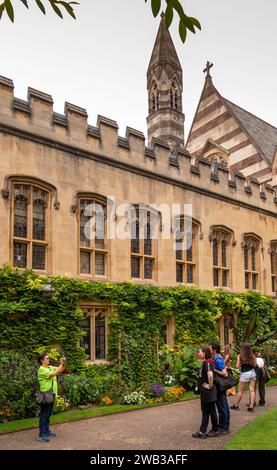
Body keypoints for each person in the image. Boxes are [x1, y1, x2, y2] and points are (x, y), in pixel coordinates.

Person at [37, 353, 66, 442]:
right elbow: (54, 374)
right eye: (46, 358)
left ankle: (46, 431)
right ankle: (41, 435)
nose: (48, 359)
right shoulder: (42, 369)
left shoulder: (49, 367)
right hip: (45, 394)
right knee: (44, 414)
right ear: (42, 360)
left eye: (48, 358)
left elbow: (60, 369)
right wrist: (61, 364)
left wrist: (63, 363)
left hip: (52, 393)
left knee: (48, 414)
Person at [192, 346, 219, 439]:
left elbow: (210, 374)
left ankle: (206, 431)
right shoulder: (207, 362)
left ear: (204, 353)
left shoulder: (207, 363)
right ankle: (209, 430)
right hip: (207, 392)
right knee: (209, 411)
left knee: (208, 411)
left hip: (208, 392)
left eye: (199, 352)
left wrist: (210, 386)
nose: (198, 353)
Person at [210, 341, 230, 434]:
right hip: (220, 386)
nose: (209, 350)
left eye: (210, 348)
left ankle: (223, 427)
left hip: (220, 386)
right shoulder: (217, 358)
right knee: (224, 405)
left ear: (214, 350)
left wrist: (214, 370)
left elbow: (225, 373)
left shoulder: (218, 359)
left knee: (222, 406)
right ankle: (225, 425)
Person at [230, 342, 257, 412]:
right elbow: (255, 365)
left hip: (245, 373)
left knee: (240, 391)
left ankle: (236, 405)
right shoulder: (252, 355)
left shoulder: (240, 355)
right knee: (252, 390)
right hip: (252, 372)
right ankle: (251, 406)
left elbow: (237, 366)